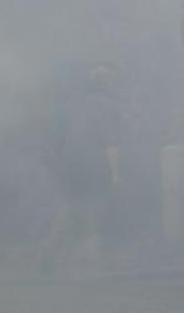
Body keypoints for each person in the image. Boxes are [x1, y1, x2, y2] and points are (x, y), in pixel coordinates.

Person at [44, 65, 124, 273]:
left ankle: (49, 250)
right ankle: (91, 256)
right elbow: (111, 143)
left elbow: (59, 136)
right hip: (93, 161)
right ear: (108, 84)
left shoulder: (75, 103)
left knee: (67, 203)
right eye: (114, 81)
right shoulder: (108, 106)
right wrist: (116, 173)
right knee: (95, 204)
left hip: (69, 161)